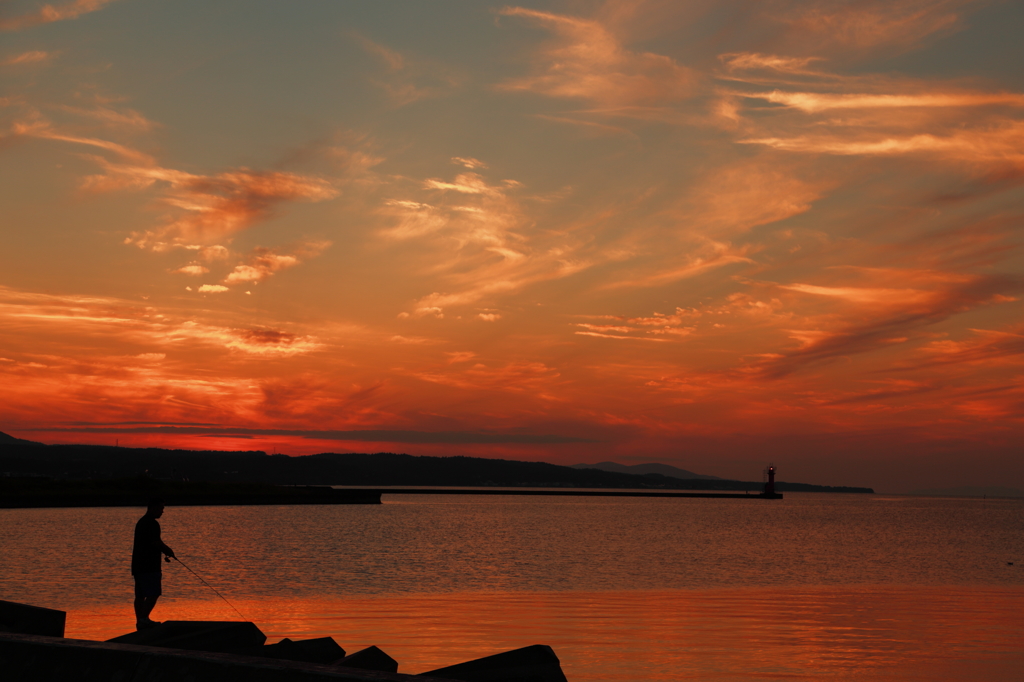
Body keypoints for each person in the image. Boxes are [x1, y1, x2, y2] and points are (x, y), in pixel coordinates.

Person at [132, 498, 175, 630]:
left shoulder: (141, 522)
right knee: (153, 593)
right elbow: (156, 542)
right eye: (161, 508)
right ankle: (143, 619)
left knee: (140, 595)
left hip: (138, 565)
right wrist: (168, 551)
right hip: (150, 565)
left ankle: (140, 621)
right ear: (153, 508)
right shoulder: (152, 524)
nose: (162, 511)